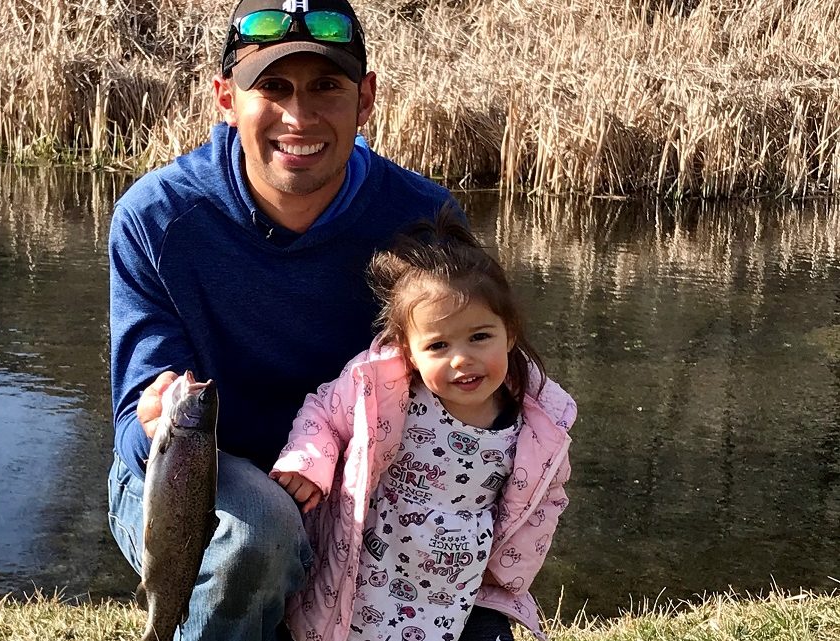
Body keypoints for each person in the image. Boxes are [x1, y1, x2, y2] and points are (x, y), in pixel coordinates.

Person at [106, 0, 464, 638]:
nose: (299, 115)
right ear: (225, 97)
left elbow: (470, 391)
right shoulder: (157, 217)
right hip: (200, 477)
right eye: (272, 86)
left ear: (367, 98)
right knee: (259, 534)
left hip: (357, 473)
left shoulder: (425, 219)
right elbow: (137, 437)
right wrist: (154, 419)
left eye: (327, 86)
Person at [270, 211, 576, 641]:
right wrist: (308, 464)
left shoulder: (539, 422)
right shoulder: (383, 390)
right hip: (369, 569)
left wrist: (510, 569)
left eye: (480, 337)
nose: (461, 359)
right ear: (408, 353)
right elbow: (323, 413)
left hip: (456, 583)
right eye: (438, 345)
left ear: (509, 334)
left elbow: (546, 499)